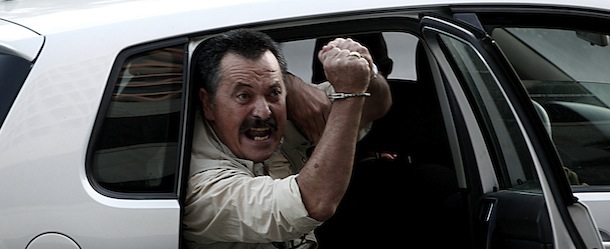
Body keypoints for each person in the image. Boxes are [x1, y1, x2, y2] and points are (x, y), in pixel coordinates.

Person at [182, 28, 391, 249]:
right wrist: (350, 92)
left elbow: (373, 107)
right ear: (208, 104)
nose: (263, 112)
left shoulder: (284, 117)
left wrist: (366, 69)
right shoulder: (203, 186)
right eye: (244, 96)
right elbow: (314, 203)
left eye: (273, 93)